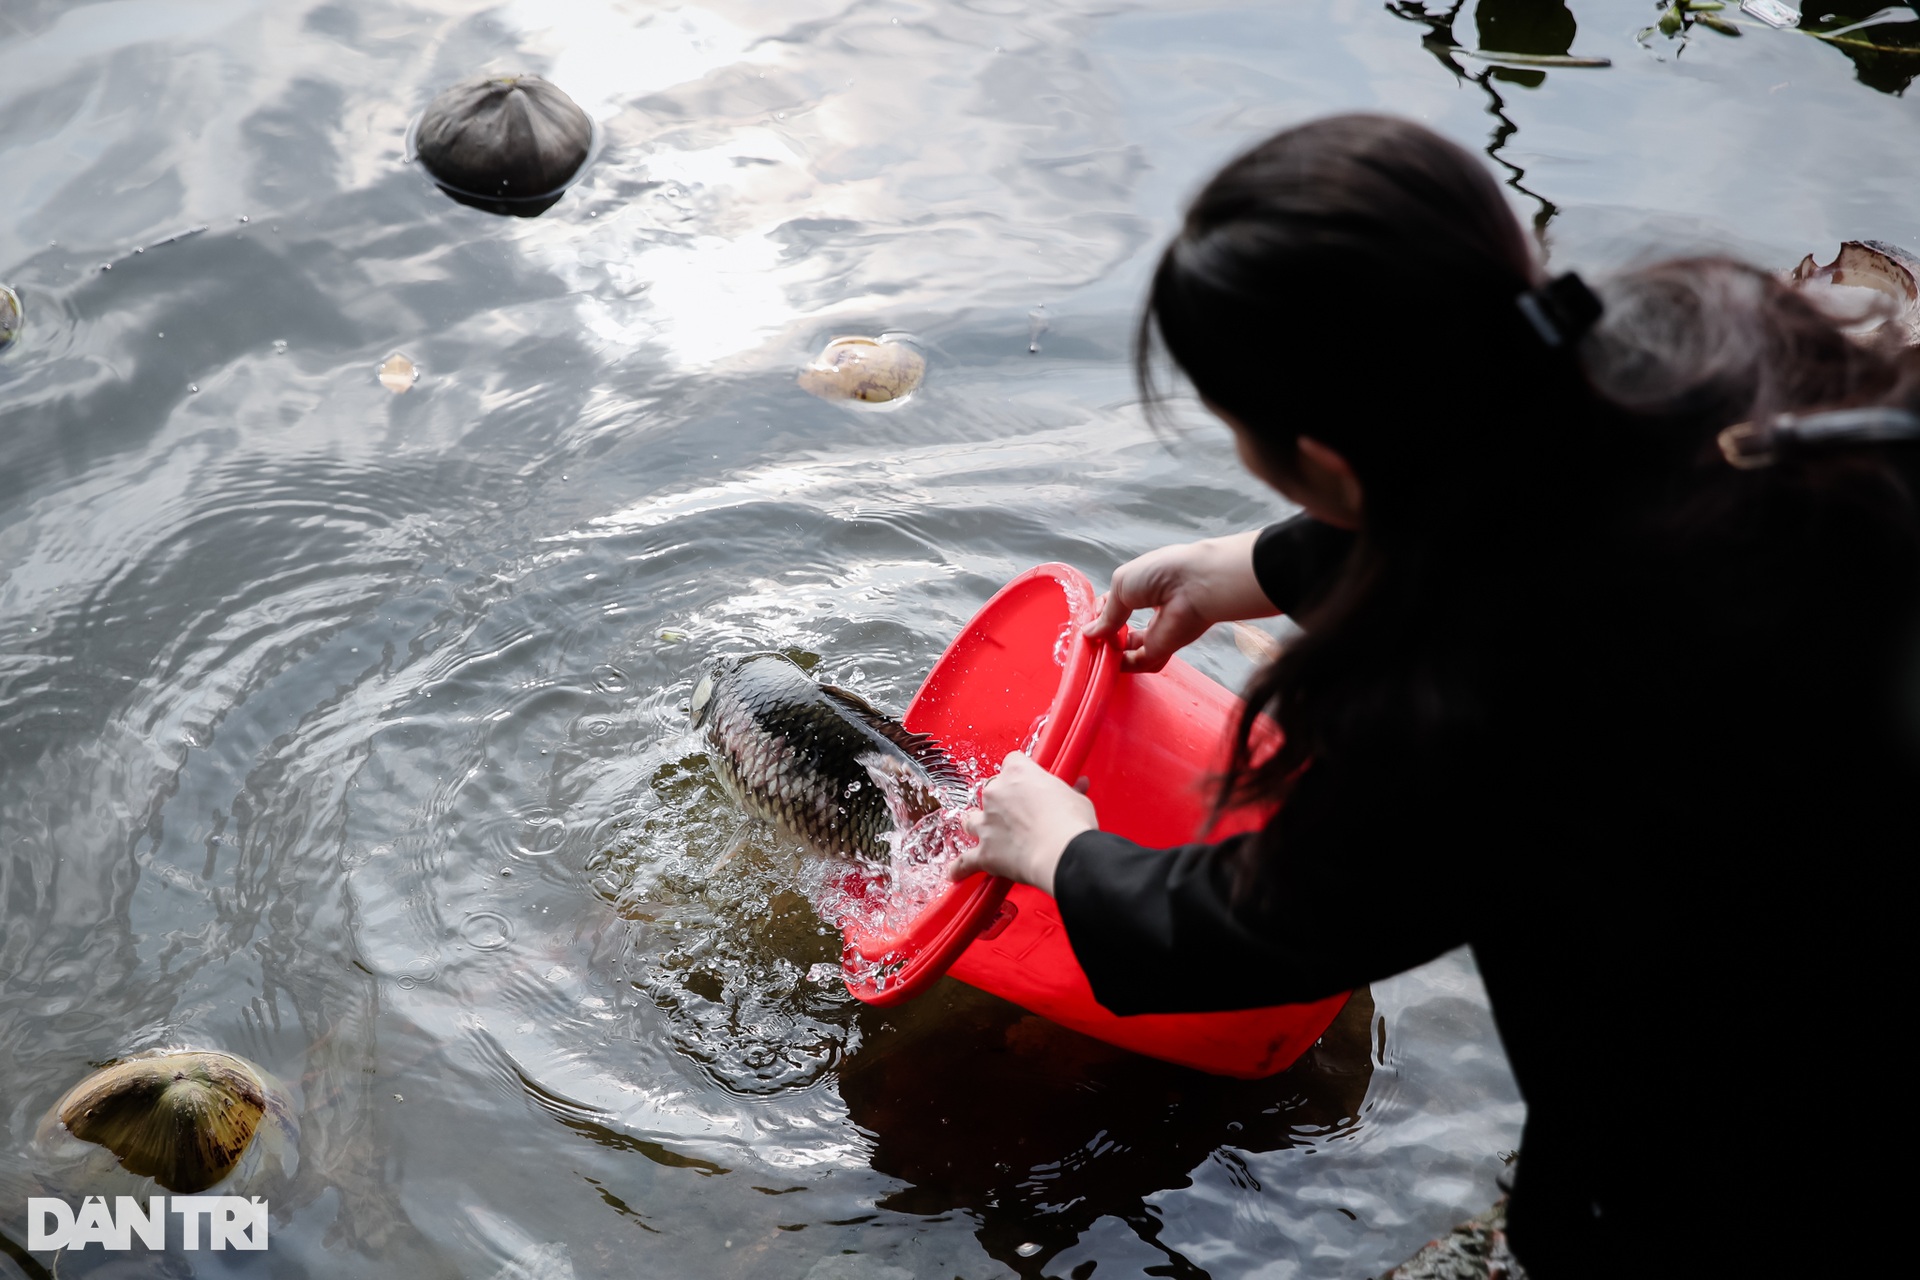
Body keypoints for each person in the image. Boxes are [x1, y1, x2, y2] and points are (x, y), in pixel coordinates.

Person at [947, 114, 1920, 1277]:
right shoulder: (1713, 359)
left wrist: (1059, 848)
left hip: (1775, 1157)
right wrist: (1255, 564)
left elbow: (1262, 924)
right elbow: (1524, 496)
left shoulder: (1475, 709)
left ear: (1329, 461)